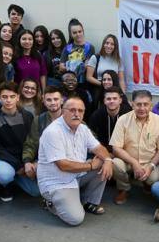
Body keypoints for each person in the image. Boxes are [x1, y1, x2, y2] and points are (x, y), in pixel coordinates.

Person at [37, 96, 113, 225]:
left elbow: (98, 147)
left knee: (103, 163)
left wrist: (108, 160)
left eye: (80, 110)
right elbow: (63, 165)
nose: (76, 114)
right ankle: (50, 202)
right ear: (63, 110)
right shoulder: (53, 132)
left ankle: (88, 202)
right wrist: (90, 166)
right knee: (75, 219)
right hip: (58, 182)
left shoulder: (82, 128)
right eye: (72, 110)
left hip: (76, 175)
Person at [110, 90, 159, 205]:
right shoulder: (123, 120)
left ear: (151, 105)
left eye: (145, 104)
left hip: (149, 162)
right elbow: (116, 148)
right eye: (138, 104)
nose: (142, 108)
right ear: (132, 104)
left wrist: (151, 166)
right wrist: (134, 163)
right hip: (127, 161)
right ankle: (124, 189)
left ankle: (146, 184)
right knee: (115, 164)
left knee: (154, 179)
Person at [0, 82, 38, 201]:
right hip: (4, 158)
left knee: (35, 192)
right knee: (5, 175)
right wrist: (18, 165)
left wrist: (28, 162)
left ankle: (16, 178)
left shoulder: (27, 116)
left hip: (24, 158)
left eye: (12, 96)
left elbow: (32, 141)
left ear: (18, 97)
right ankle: (6, 185)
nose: (8, 100)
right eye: (4, 97)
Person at [20, 85, 66, 193]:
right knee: (34, 191)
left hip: (68, 160)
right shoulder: (39, 120)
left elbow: (90, 139)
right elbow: (31, 143)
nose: (53, 102)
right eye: (49, 100)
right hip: (46, 161)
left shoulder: (72, 117)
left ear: (62, 100)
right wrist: (27, 162)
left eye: (56, 99)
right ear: (44, 101)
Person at [60, 18, 95, 84]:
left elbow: (87, 65)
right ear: (71, 34)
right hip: (69, 82)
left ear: (83, 31)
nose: (78, 34)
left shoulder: (89, 47)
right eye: (74, 33)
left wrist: (70, 65)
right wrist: (76, 67)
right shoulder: (67, 48)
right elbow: (61, 67)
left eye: (80, 31)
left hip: (83, 82)